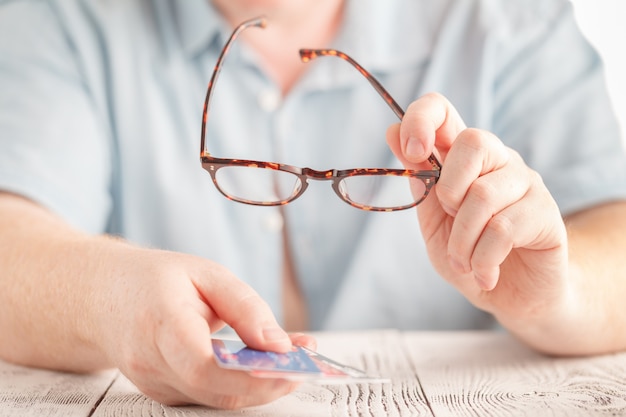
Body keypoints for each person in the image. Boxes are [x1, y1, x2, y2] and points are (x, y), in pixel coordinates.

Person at [1, 0, 626, 410]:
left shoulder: (513, 19)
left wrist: (557, 293)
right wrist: (109, 295)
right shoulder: (61, 16)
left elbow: (613, 232)